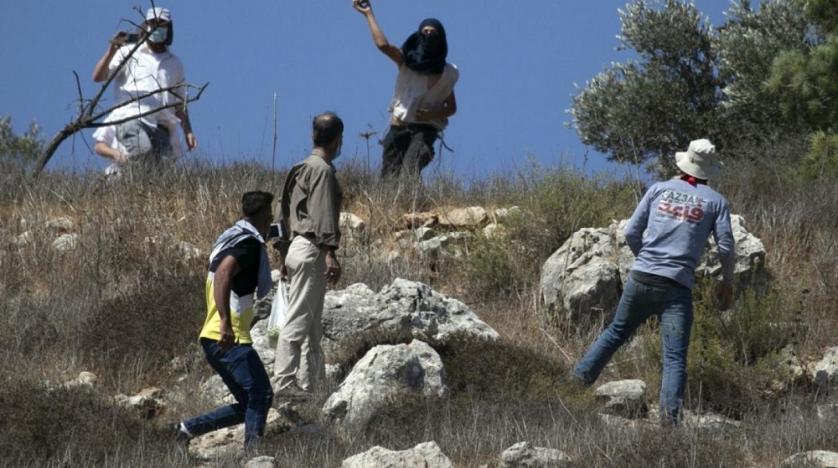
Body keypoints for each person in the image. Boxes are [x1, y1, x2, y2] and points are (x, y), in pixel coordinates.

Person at [572, 139, 736, 426]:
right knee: (674, 358)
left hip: (642, 277)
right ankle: (668, 425)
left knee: (614, 334)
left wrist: (646, 260)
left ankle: (571, 391)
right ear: (708, 170)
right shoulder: (716, 202)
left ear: (685, 162)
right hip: (677, 288)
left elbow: (632, 232)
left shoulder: (658, 189)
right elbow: (725, 246)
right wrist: (727, 280)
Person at [175, 191, 275, 448]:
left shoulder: (230, 239)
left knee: (248, 404)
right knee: (261, 394)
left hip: (212, 339)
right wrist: (225, 323)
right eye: (270, 217)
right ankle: (253, 455)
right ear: (266, 216)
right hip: (230, 338)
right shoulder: (249, 245)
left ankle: (185, 429)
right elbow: (222, 276)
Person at [272, 112, 344, 400]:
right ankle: (285, 383)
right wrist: (330, 254)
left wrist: (282, 252)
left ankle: (313, 385)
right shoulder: (323, 171)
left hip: (294, 249)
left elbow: (280, 214)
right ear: (338, 139)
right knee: (299, 319)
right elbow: (323, 214)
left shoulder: (298, 168)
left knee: (312, 324)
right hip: (312, 249)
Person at [353, 0, 458, 179]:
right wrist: (369, 14)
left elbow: (451, 107)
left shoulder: (448, 73)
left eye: (433, 33)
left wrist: (430, 116)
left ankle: (412, 204)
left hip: (425, 130)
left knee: (410, 171)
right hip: (399, 127)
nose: (429, 35)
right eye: (425, 32)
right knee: (389, 176)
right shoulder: (406, 62)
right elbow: (383, 46)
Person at [92, 6, 197, 167]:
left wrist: (188, 131)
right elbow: (98, 77)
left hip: (161, 125)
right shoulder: (129, 52)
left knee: (163, 169)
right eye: (152, 23)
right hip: (131, 117)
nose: (156, 27)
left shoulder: (175, 64)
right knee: (142, 151)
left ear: (168, 28)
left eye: (161, 24)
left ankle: (130, 186)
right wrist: (111, 51)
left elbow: (180, 103)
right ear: (145, 25)